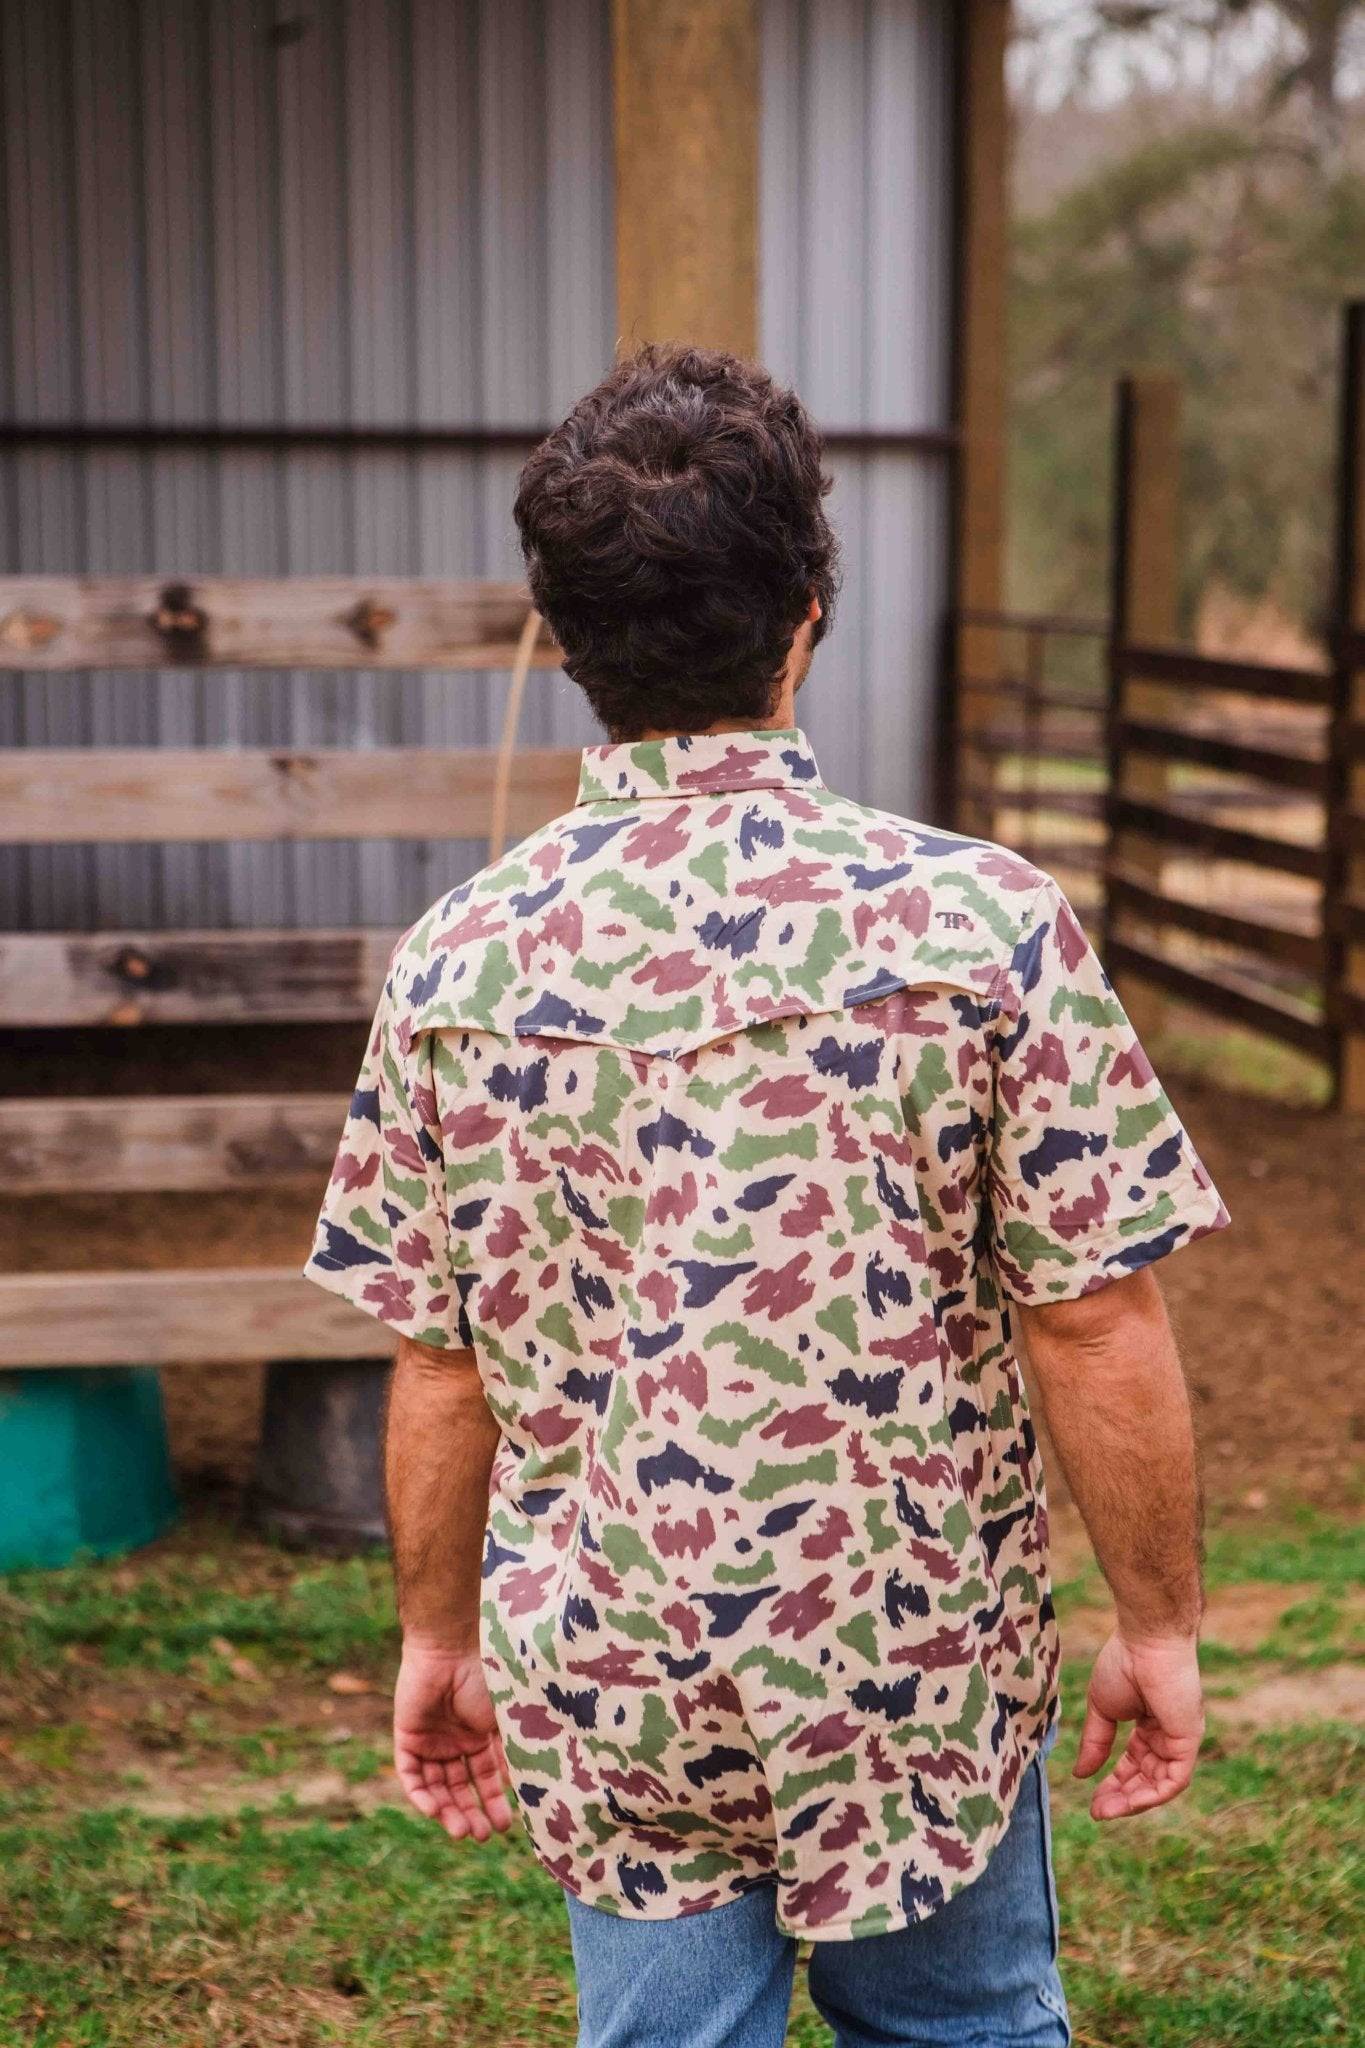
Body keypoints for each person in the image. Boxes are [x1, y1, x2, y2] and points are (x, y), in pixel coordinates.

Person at [305, 345, 1228, 2048]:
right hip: (910, 1661)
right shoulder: (981, 929)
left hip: (611, 1666)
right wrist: (1159, 1625)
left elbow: (440, 1362)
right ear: (806, 614)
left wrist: (437, 1636)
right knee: (959, 2027)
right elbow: (1093, 1322)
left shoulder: (452, 966)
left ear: (564, 636)